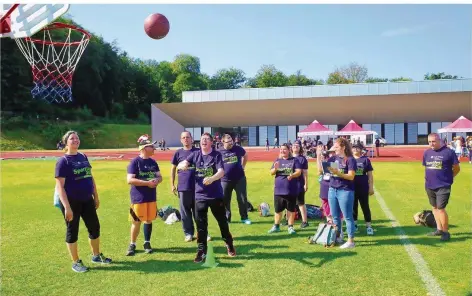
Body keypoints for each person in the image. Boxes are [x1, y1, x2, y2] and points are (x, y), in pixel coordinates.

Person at [55, 131, 112, 273]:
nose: (75, 140)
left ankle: (96, 256)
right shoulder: (63, 161)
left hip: (87, 199)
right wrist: (67, 207)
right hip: (71, 202)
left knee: (94, 227)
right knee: (72, 231)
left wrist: (96, 196)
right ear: (66, 142)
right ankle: (76, 262)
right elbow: (60, 186)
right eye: (72, 138)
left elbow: (90, 177)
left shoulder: (83, 156)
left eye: (77, 138)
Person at [177, 133, 236, 263]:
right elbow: (183, 163)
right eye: (202, 139)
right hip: (199, 196)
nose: (203, 141)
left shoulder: (216, 155)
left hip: (215, 195)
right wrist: (183, 165)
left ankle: (229, 244)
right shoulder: (195, 154)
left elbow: (221, 172)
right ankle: (201, 250)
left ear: (211, 142)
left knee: (222, 222)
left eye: (206, 139)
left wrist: (211, 179)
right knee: (201, 225)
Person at [126, 135, 163, 256]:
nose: (154, 148)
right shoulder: (135, 162)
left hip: (151, 197)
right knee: (136, 221)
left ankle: (147, 243)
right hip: (138, 197)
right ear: (144, 148)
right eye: (151, 146)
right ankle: (132, 244)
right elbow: (130, 180)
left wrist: (157, 181)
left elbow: (159, 176)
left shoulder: (153, 162)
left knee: (148, 220)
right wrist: (147, 183)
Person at [170, 131, 211, 242]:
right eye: (183, 137)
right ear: (181, 140)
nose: (186, 139)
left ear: (192, 139)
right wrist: (172, 184)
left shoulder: (198, 151)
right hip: (183, 187)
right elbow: (173, 169)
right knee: (185, 212)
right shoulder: (178, 153)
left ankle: (203, 233)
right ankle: (188, 233)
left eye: (188, 137)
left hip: (198, 187)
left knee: (199, 211)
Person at [422, 133, 460, 241]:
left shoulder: (449, 152)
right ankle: (439, 229)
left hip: (443, 185)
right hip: (429, 185)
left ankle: (445, 232)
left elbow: (457, 168)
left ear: (439, 140)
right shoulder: (427, 152)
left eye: (433, 141)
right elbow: (427, 167)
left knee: (441, 209)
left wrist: (449, 177)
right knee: (434, 208)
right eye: (429, 142)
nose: (431, 144)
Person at [327, 138, 357, 249]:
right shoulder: (333, 158)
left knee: (348, 217)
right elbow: (322, 170)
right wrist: (319, 154)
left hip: (345, 190)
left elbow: (351, 176)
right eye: (334, 146)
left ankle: (351, 241)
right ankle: (338, 237)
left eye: (337, 146)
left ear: (343, 147)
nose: (335, 148)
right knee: (335, 216)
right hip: (332, 189)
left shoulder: (350, 160)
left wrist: (338, 173)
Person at [268, 143, 302, 235]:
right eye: (281, 149)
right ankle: (276, 226)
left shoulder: (294, 160)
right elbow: (271, 172)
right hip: (278, 190)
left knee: (291, 209)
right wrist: (275, 169)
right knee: (278, 210)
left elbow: (299, 172)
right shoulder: (277, 160)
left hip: (290, 190)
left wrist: (292, 175)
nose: (282, 151)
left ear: (289, 150)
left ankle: (290, 227)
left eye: (284, 149)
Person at [218, 134, 252, 225]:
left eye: (231, 141)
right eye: (228, 141)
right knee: (225, 199)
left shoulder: (238, 148)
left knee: (242, 199)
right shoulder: (219, 151)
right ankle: (226, 218)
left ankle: (244, 217)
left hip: (239, 179)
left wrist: (243, 166)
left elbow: (245, 155)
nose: (230, 143)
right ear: (223, 141)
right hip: (225, 180)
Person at [352, 143, 375, 235]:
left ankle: (368, 226)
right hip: (351, 188)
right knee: (353, 208)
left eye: (357, 148)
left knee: (365, 207)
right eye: (353, 147)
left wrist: (371, 187)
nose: (355, 149)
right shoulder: (349, 159)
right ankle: (355, 225)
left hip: (363, 187)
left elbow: (370, 175)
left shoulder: (366, 160)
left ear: (361, 150)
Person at [287, 140, 309, 228]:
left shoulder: (302, 159)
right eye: (294, 145)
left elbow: (305, 173)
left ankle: (305, 221)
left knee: (300, 203)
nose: (295, 147)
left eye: (297, 145)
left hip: (299, 184)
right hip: (288, 184)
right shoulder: (288, 157)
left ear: (300, 148)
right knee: (288, 202)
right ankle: (288, 220)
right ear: (291, 148)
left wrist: (306, 184)